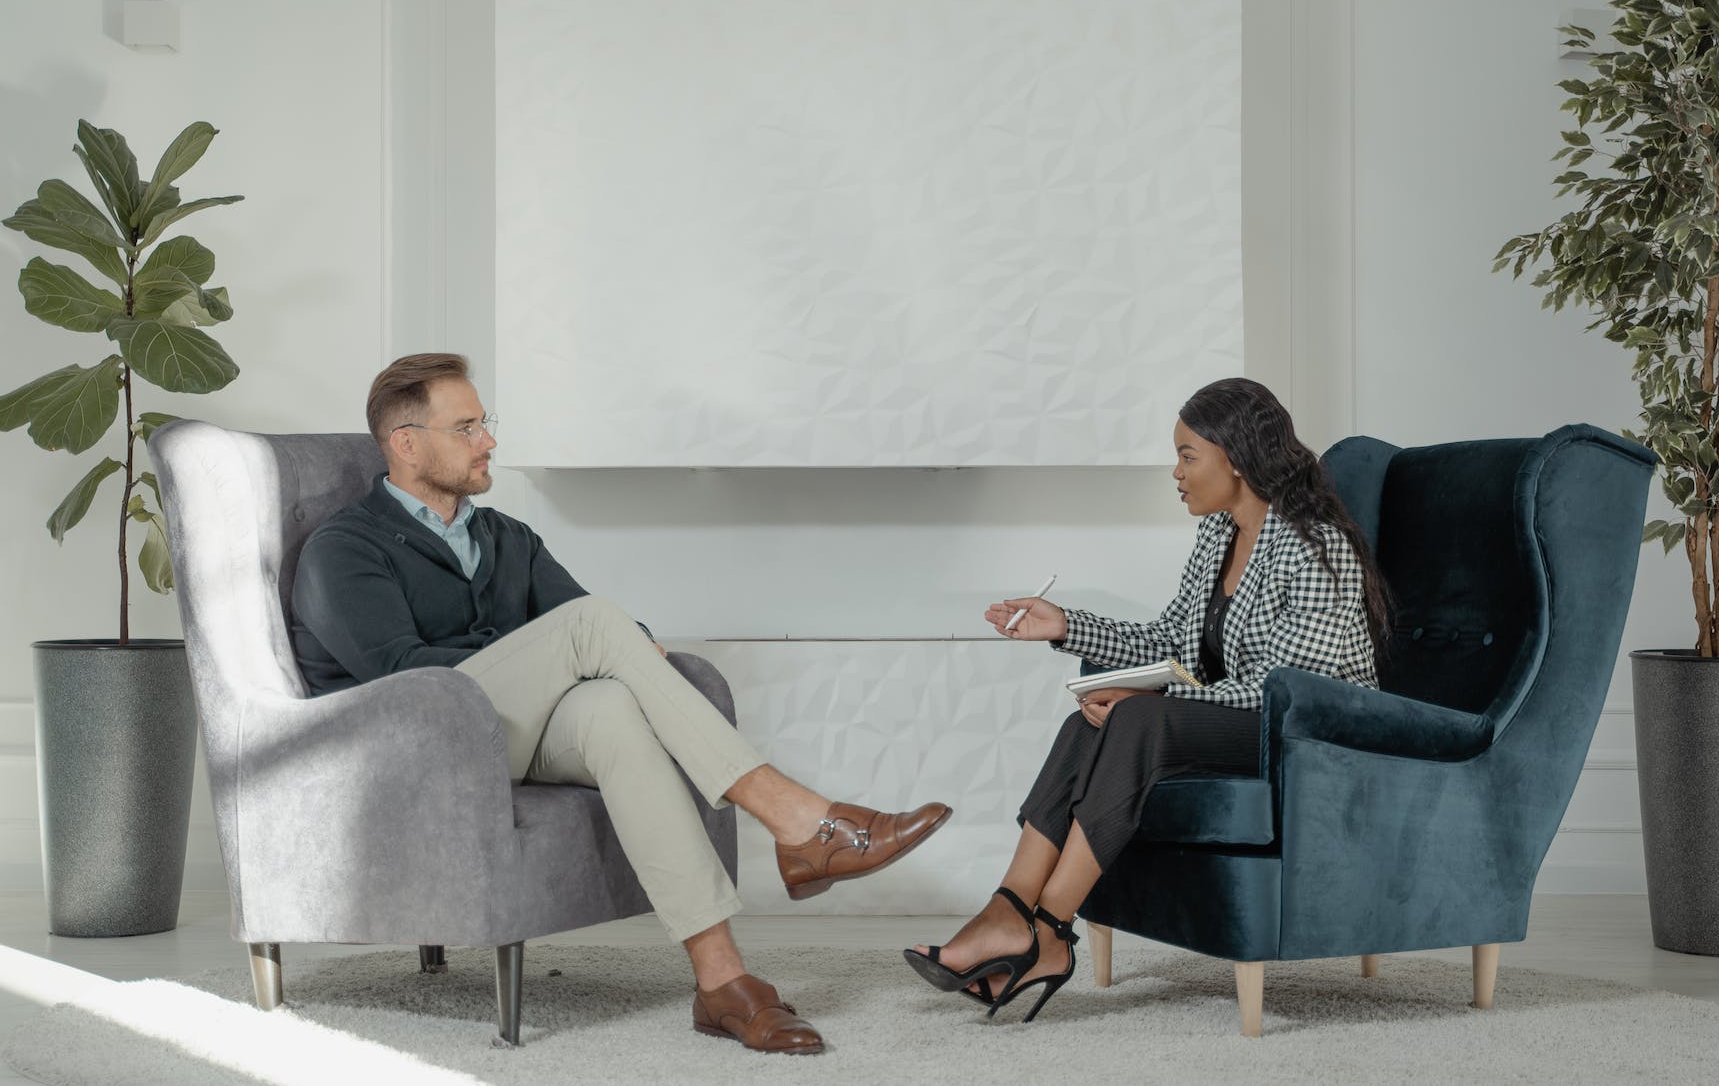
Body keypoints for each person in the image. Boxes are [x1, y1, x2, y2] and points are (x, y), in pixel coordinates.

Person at [291, 353, 951, 1056]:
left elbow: (591, 629)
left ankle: (721, 980)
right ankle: (798, 820)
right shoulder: (344, 548)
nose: (489, 441)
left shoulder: (503, 537)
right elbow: (403, 676)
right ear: (407, 443)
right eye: (467, 427)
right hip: (414, 746)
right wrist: (584, 645)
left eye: (485, 422)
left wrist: (621, 651)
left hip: (506, 729)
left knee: (611, 709)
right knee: (598, 628)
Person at [904, 377, 1387, 1022]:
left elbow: (1293, 687)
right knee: (1091, 723)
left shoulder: (1314, 543)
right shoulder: (1219, 536)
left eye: (1188, 456)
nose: (1176, 473)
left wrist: (1145, 694)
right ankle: (1010, 909)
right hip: (1243, 722)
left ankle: (1047, 933)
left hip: (1310, 735)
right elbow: (1169, 638)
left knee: (1134, 715)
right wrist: (1067, 626)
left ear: (1235, 458)